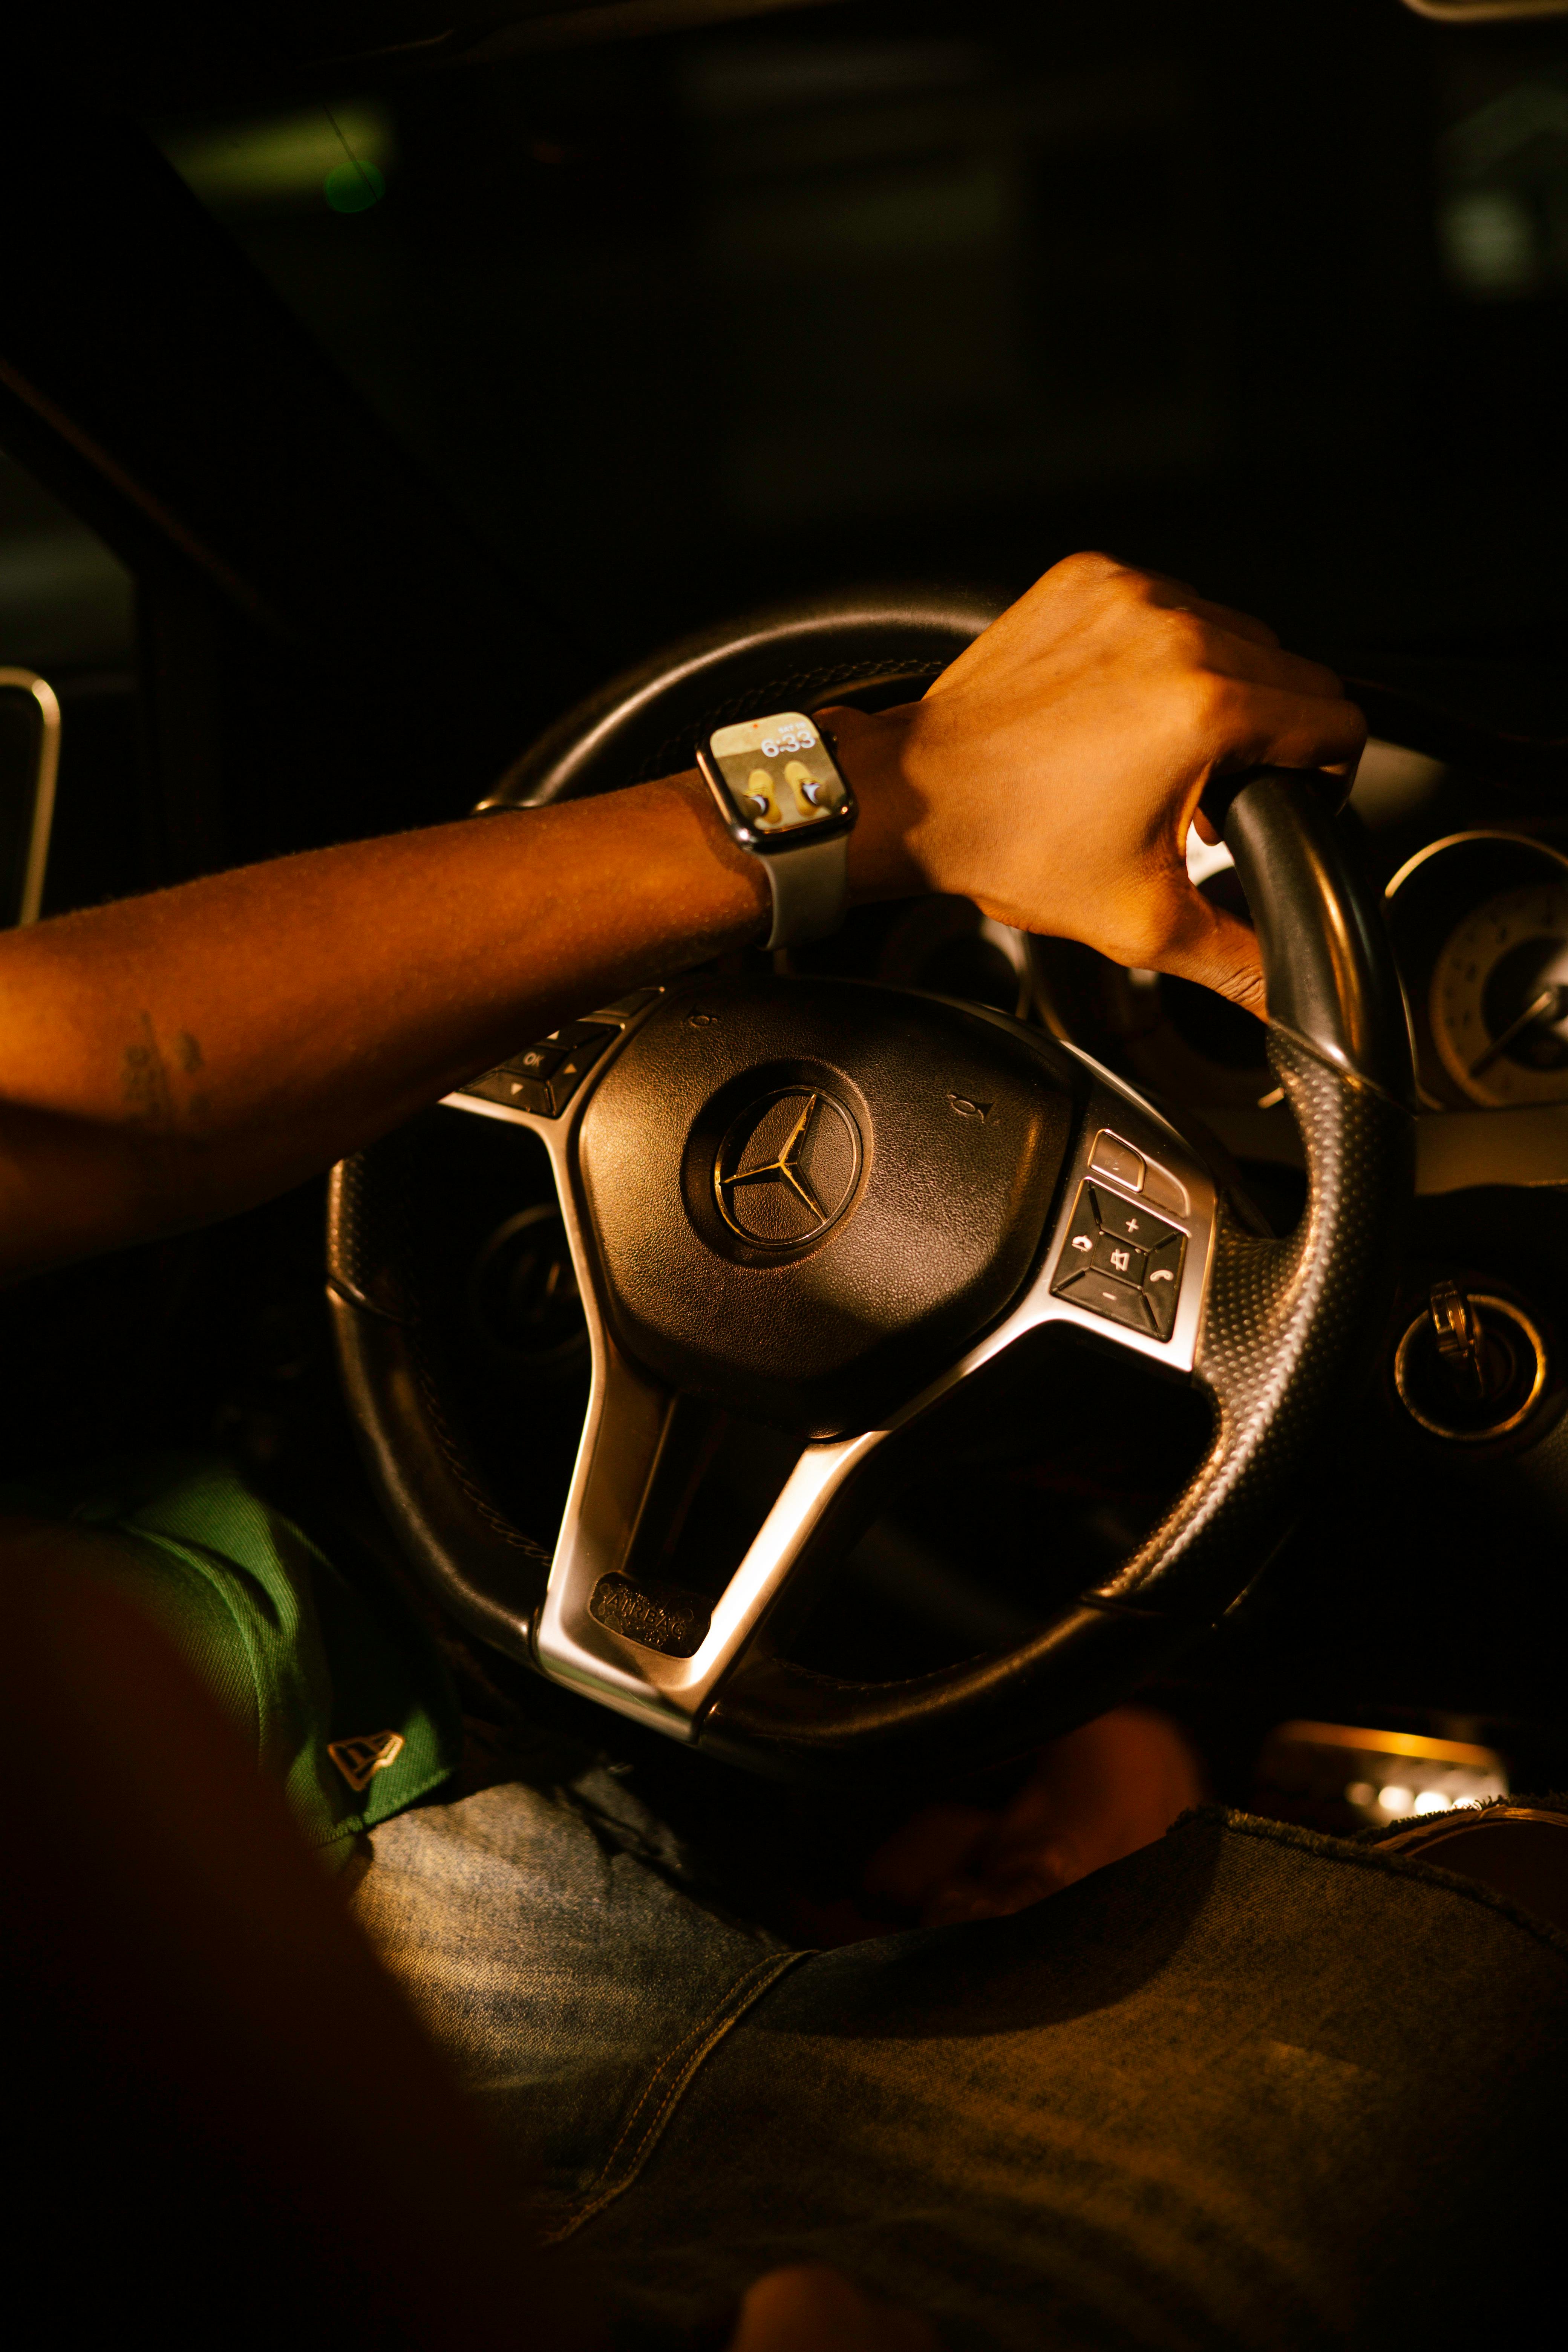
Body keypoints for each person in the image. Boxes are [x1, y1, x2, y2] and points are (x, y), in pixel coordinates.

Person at [2, 554, 1563, 2349]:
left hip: (339, 1812)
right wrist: (878, 790)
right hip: (258, 1950)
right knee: (1509, 1907)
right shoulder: (87, 1708)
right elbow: (59, 1089)